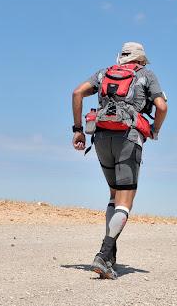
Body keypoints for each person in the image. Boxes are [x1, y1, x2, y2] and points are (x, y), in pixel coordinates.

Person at [71, 42, 168, 279]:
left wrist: (78, 129)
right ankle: (104, 255)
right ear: (141, 59)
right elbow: (161, 106)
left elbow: (77, 92)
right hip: (129, 137)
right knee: (126, 200)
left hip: (101, 137)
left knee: (113, 195)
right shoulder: (146, 75)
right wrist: (155, 129)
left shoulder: (104, 73)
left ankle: (110, 254)